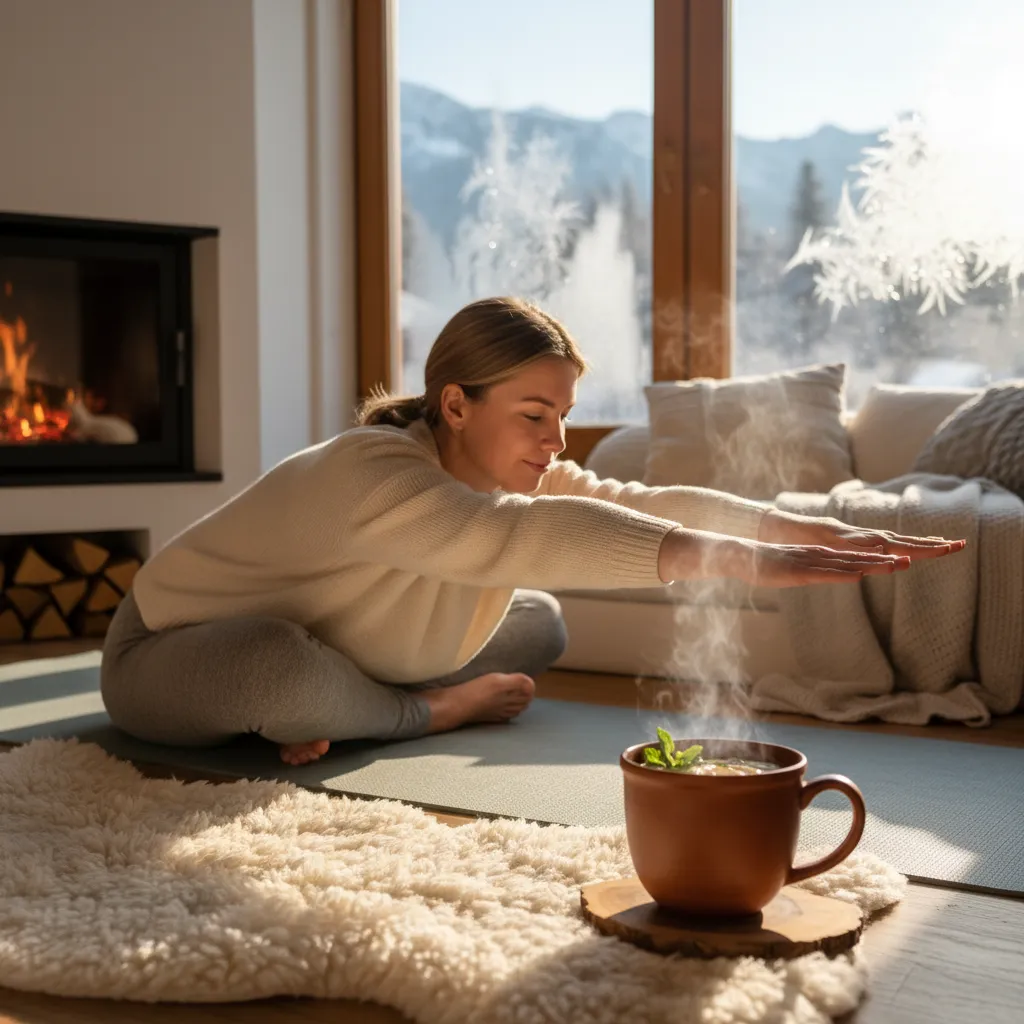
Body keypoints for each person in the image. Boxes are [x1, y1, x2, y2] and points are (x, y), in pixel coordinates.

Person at [101, 297, 964, 766]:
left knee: (540, 620)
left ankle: (348, 704)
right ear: (454, 405)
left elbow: (640, 501)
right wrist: (748, 565)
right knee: (274, 667)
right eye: (534, 414)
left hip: (344, 643)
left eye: (564, 415)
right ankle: (417, 712)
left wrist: (803, 525)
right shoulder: (368, 470)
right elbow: (516, 539)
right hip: (169, 649)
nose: (555, 440)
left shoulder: (514, 464)